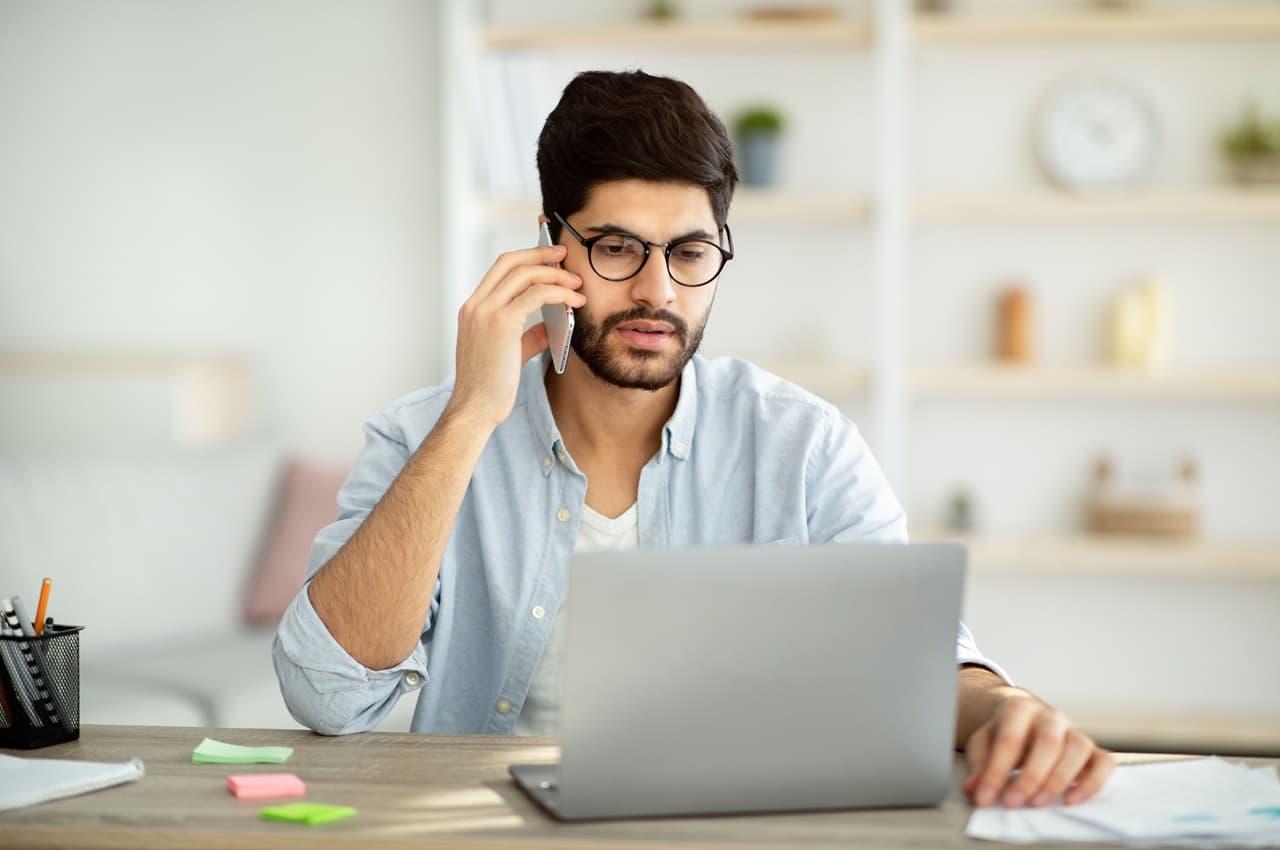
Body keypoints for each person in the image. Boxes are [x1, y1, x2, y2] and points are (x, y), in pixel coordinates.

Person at [273, 69, 1115, 810]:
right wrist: (470, 417)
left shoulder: (803, 446)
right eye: (615, 248)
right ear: (548, 247)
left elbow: (919, 664)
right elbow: (327, 695)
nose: (656, 291)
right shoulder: (426, 434)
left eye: (689, 252)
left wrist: (1006, 708)